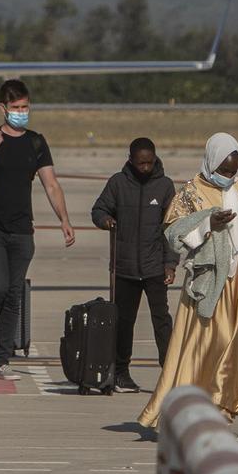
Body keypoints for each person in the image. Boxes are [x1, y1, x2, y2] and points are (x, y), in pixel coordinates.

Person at [136, 134, 238, 427]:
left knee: (234, 352)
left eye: (232, 171)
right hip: (208, 283)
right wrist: (207, 226)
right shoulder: (191, 192)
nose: (228, 176)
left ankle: (220, 416)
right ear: (212, 162)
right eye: (224, 170)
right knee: (204, 351)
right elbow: (174, 234)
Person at [0, 79, 75, 382]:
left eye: (25, 107)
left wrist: (64, 219)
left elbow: (51, 183)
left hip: (22, 230)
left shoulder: (36, 142)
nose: (22, 112)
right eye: (16, 107)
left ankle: (4, 358)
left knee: (13, 294)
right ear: (3, 108)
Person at [91, 138, 177, 392]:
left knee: (162, 320)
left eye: (150, 162)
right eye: (141, 163)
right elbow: (98, 209)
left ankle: (170, 372)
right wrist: (105, 219)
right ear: (130, 160)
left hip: (154, 267)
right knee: (123, 322)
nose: (146, 168)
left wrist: (170, 264)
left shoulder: (165, 186)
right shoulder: (118, 183)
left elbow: (172, 228)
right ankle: (120, 373)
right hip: (125, 268)